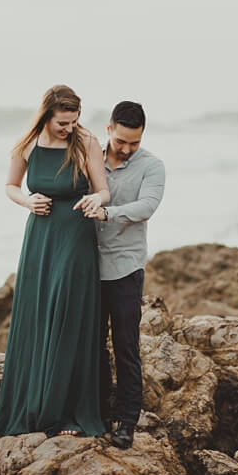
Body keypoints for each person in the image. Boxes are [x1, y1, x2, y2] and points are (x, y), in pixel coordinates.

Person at [0, 85, 111, 438]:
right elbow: (11, 186)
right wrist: (28, 202)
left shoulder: (86, 142)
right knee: (39, 314)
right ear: (46, 115)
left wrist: (96, 202)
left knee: (68, 315)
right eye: (62, 122)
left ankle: (68, 412)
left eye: (74, 121)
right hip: (40, 238)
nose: (69, 128)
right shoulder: (26, 144)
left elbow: (103, 189)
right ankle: (33, 405)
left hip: (75, 235)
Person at [84, 101, 166, 450]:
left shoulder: (153, 167)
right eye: (121, 141)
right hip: (87, 267)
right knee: (93, 347)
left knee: (127, 347)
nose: (127, 148)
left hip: (126, 268)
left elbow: (146, 207)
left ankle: (127, 421)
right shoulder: (89, 158)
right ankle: (98, 415)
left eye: (134, 142)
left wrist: (107, 213)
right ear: (109, 129)